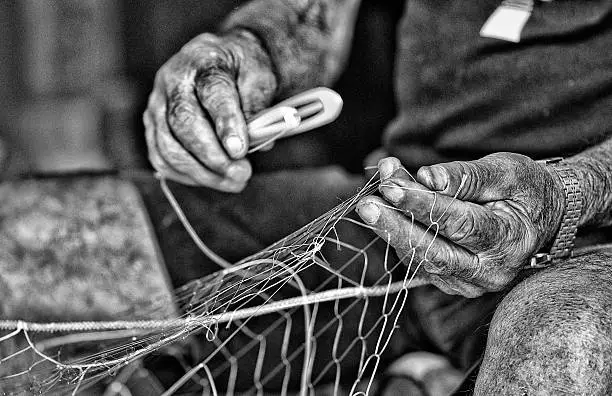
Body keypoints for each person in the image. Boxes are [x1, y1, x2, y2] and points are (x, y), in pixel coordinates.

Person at [143, 0, 612, 394]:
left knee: (561, 340)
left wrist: (570, 194)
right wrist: (250, 48)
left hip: (591, 241)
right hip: (398, 206)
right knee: (89, 228)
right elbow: (314, 15)